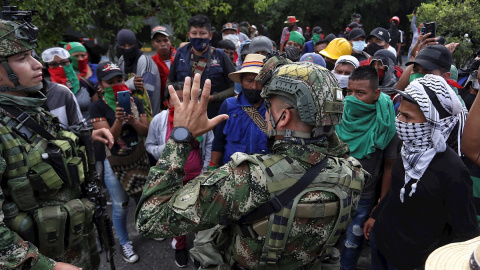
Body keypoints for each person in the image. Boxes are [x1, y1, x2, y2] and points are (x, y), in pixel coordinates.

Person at [135, 58, 367, 269]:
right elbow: (338, 150)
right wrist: (321, 118)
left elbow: (150, 219)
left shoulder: (245, 178)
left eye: (269, 107)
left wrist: (181, 136)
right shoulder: (353, 173)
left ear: (283, 117)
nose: (265, 114)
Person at [0, 18, 101, 269]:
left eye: (32, 55)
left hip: (72, 242)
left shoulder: (31, 109)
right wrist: (47, 266)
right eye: (22, 58)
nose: (37, 65)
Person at [364, 75, 479, 270]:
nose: (399, 121)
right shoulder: (408, 146)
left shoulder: (453, 172)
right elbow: (396, 187)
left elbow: (465, 232)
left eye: (407, 117)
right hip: (382, 243)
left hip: (414, 261)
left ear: (434, 123)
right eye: (399, 114)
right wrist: (376, 215)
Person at [336, 66, 399, 270]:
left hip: (364, 197)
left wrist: (377, 209)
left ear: (376, 94)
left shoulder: (386, 125)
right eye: (349, 92)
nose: (352, 99)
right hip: (334, 192)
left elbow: (389, 167)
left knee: (351, 245)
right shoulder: (337, 116)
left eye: (360, 93)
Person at [145, 82, 213, 267]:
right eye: (177, 99)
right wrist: (168, 148)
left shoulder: (201, 118)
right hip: (172, 181)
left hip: (197, 178)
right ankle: (180, 246)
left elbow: (209, 147)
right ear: (167, 102)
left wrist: (205, 173)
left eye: (186, 99)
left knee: (198, 214)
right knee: (175, 215)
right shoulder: (159, 120)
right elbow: (149, 146)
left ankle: (199, 249)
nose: (183, 104)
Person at [89, 61, 150, 263]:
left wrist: (132, 120)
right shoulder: (97, 107)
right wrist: (118, 120)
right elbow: (109, 140)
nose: (117, 84)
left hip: (138, 157)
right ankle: (124, 242)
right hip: (114, 162)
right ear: (100, 86)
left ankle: (148, 227)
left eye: (120, 80)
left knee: (142, 198)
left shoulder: (136, 101)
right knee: (120, 205)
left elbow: (145, 132)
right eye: (110, 82)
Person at [167, 14, 235, 119]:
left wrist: (213, 97)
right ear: (189, 35)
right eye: (194, 33)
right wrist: (177, 96)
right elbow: (170, 81)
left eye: (202, 33)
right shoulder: (180, 54)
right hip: (184, 114)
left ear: (210, 35)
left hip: (214, 113)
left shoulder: (221, 56)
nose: (198, 37)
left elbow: (234, 87)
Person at [210, 54, 268, 167]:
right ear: (241, 81)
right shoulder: (228, 105)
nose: (254, 86)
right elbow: (219, 141)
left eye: (259, 81)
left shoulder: (274, 108)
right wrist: (212, 167)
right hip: (232, 173)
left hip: (265, 173)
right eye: (249, 81)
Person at [41, 47, 98, 124]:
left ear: (70, 62)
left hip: (90, 131)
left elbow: (97, 111)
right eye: (54, 64)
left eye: (64, 63)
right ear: (48, 67)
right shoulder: (46, 89)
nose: (60, 67)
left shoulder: (86, 84)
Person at [117, 28, 161, 117]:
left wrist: (125, 86)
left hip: (149, 116)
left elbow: (147, 94)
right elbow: (118, 89)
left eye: (130, 45)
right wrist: (130, 84)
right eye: (123, 46)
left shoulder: (144, 61)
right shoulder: (122, 60)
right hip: (131, 115)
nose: (127, 49)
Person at [151, 25, 177, 109]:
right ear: (153, 44)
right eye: (158, 41)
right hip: (163, 106)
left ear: (170, 41)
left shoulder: (180, 57)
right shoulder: (151, 63)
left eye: (165, 40)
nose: (163, 44)